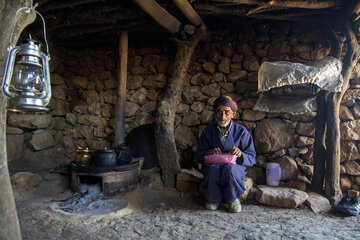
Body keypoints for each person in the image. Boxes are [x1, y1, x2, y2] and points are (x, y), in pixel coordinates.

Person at [196, 95, 256, 213]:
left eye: (227, 112)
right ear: (215, 113)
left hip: (235, 167)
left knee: (229, 169)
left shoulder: (241, 132)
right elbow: (198, 155)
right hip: (213, 166)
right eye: (219, 112)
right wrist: (209, 153)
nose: (223, 116)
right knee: (213, 169)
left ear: (233, 114)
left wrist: (240, 154)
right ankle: (213, 199)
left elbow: (252, 157)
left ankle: (232, 199)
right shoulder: (208, 131)